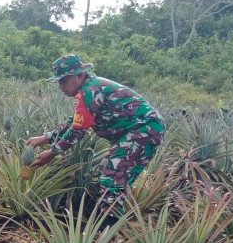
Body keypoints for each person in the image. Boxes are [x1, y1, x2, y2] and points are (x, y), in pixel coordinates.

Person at [25, 54, 164, 220]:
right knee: (109, 171)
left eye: (64, 80)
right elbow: (76, 122)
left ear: (80, 75)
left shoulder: (91, 91)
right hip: (136, 132)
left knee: (113, 176)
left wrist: (52, 152)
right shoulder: (89, 88)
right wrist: (46, 137)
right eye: (59, 82)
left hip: (143, 131)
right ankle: (107, 221)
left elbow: (78, 130)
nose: (61, 86)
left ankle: (108, 227)